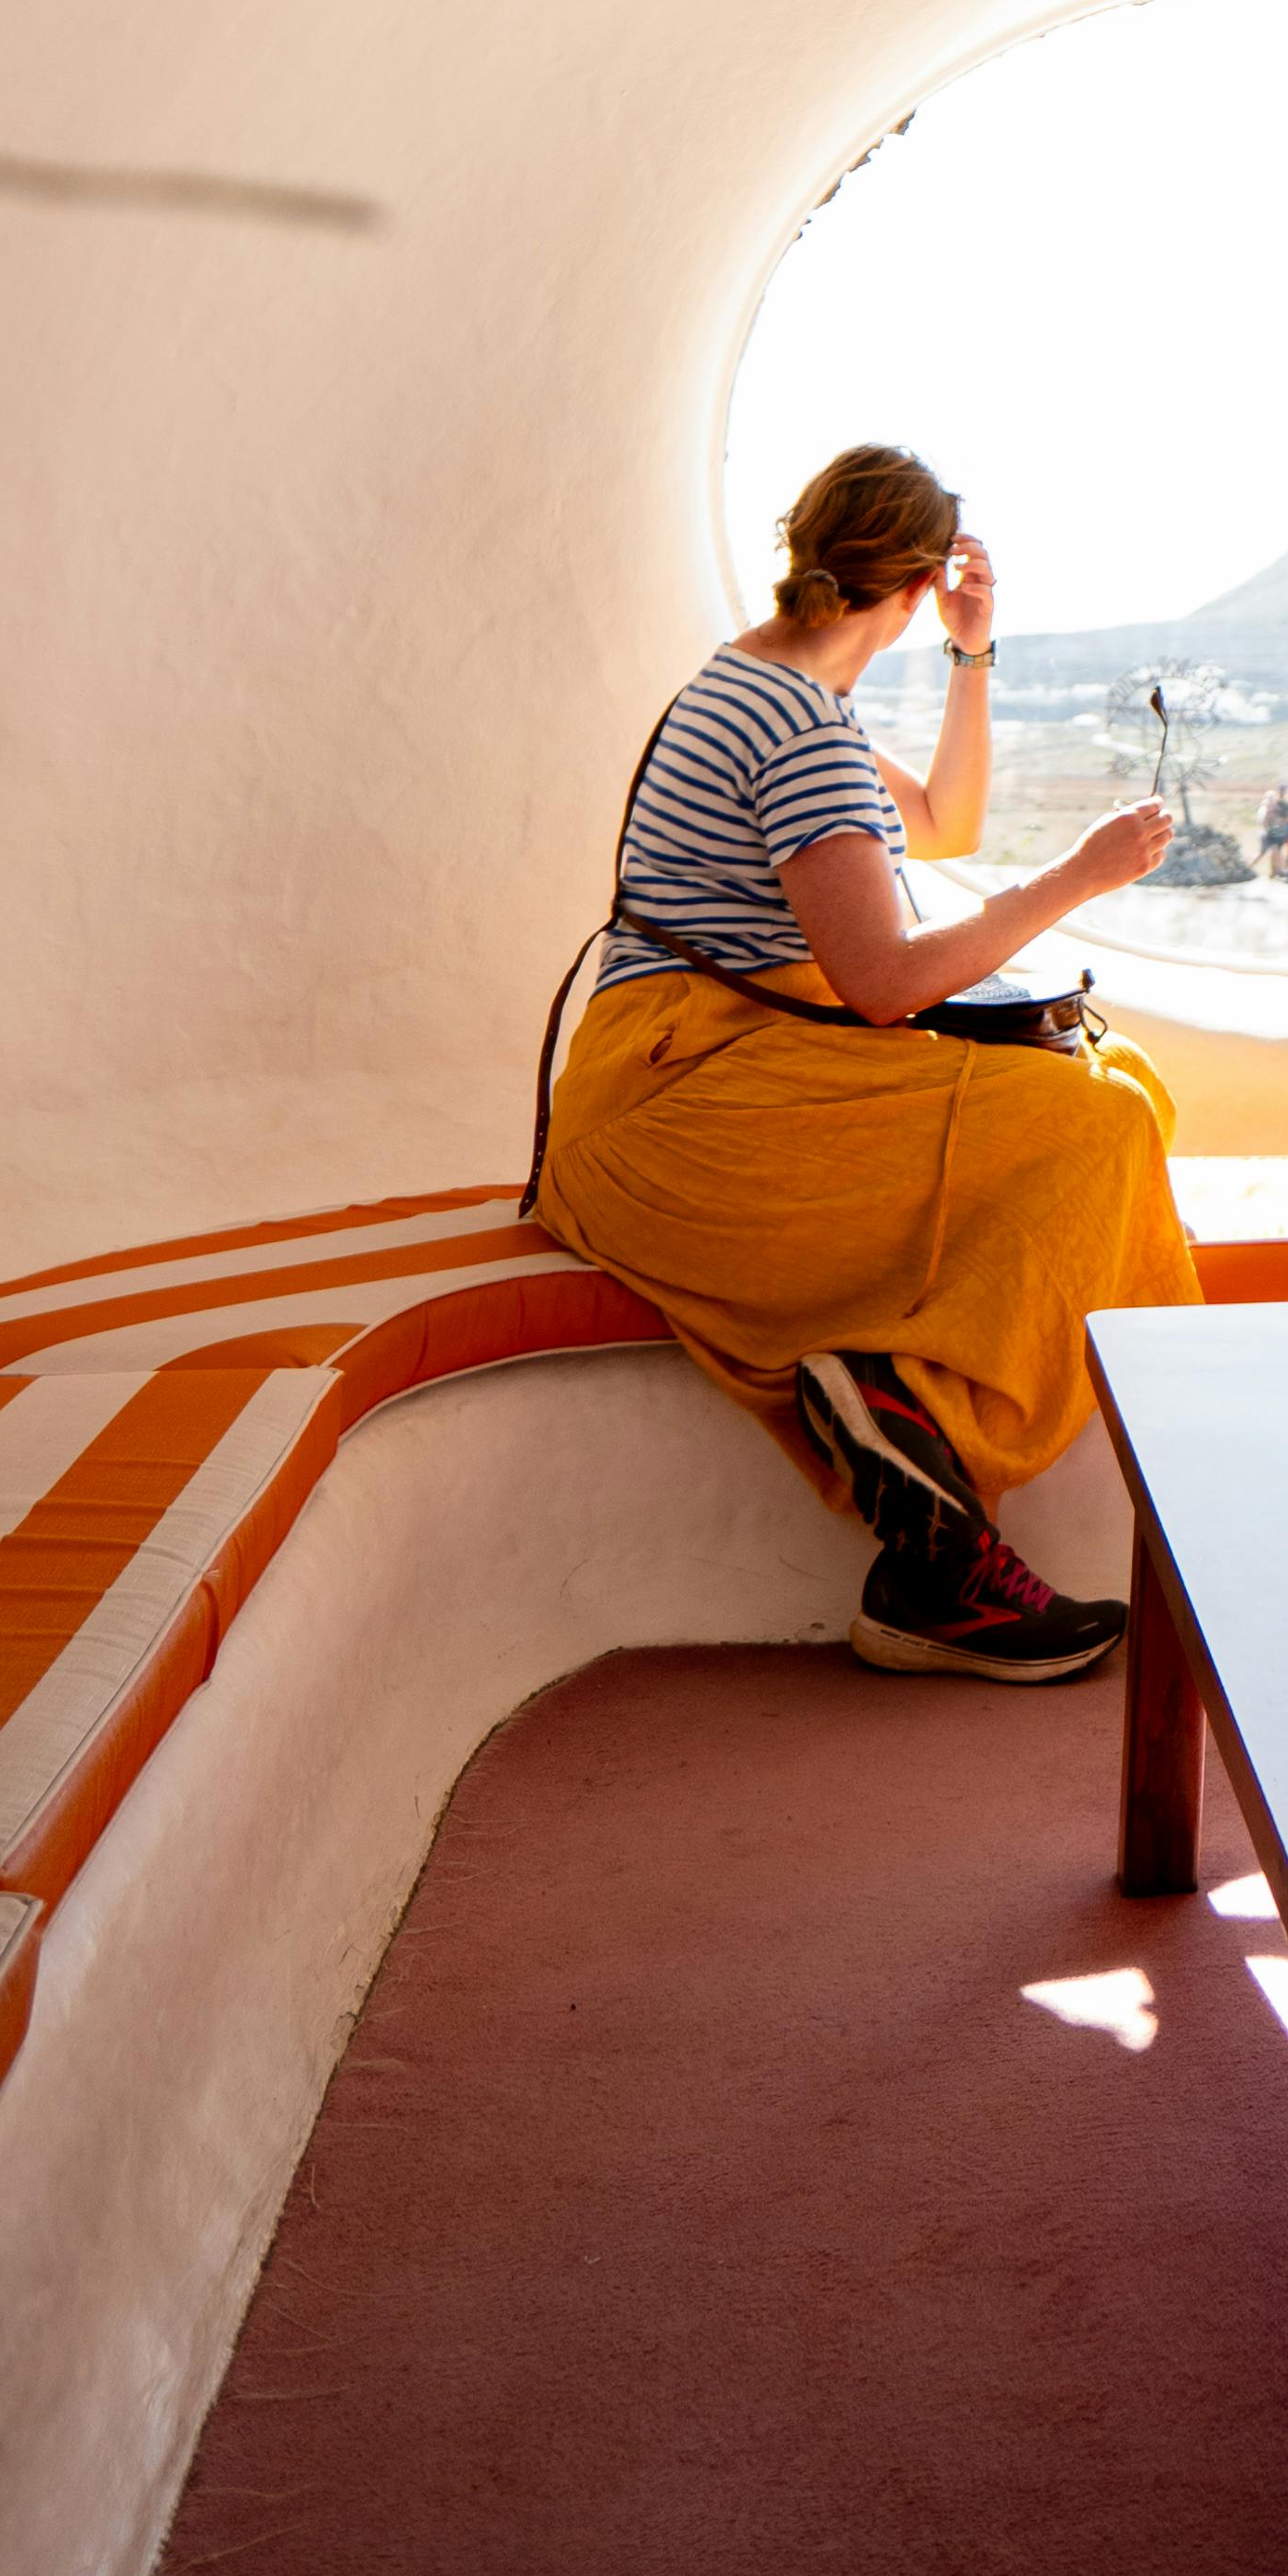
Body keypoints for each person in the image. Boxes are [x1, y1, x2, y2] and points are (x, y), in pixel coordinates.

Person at [533, 440, 1195, 1683]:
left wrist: (971, 654)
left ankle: (916, 1485)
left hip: (658, 1082)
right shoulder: (803, 737)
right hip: (688, 1114)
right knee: (1099, 1120)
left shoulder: (759, 684)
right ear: (911, 582)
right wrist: (1079, 879)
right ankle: (921, 1435)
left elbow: (944, 823)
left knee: (1104, 1097)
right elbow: (884, 986)